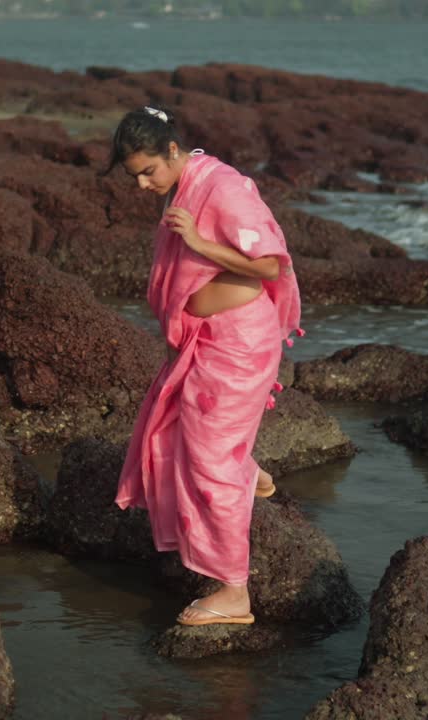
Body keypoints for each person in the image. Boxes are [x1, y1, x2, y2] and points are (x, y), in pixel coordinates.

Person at [110, 106, 302, 627]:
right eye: (135, 177)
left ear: (173, 150)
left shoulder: (223, 189)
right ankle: (253, 475)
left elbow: (269, 264)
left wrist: (198, 243)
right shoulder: (187, 183)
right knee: (179, 436)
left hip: (238, 346)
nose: (144, 184)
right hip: (209, 340)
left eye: (149, 170)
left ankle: (234, 592)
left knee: (211, 461)